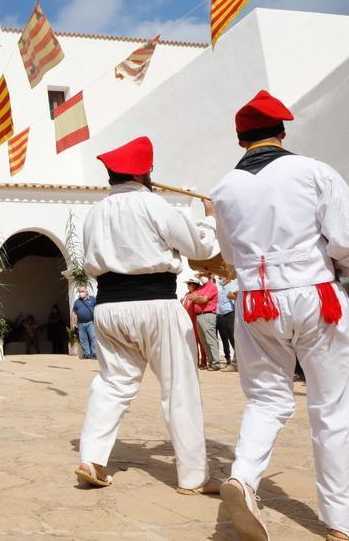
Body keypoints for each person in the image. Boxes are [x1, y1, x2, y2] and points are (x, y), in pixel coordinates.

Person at [211, 90, 349, 541]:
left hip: (255, 299)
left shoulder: (224, 188)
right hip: (315, 293)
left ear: (239, 138)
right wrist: (335, 271)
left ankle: (244, 476)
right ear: (282, 131)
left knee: (267, 399)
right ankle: (343, 522)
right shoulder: (312, 171)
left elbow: (229, 253)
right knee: (332, 410)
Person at [74, 135, 220, 494]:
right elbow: (200, 247)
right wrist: (210, 218)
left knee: (112, 383)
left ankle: (91, 458)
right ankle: (192, 476)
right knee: (179, 387)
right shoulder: (155, 205)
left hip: (108, 308)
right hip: (155, 304)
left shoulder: (94, 214)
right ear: (145, 173)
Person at [186, 274, 221, 370]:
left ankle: (216, 362)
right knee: (204, 341)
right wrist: (199, 297)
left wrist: (197, 298)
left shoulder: (212, 287)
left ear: (208, 275)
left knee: (210, 339)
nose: (201, 276)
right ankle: (211, 362)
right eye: (200, 275)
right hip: (199, 316)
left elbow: (204, 299)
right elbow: (190, 296)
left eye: (202, 274)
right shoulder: (201, 288)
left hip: (208, 314)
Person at [71, 285, 97, 359]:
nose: (81, 293)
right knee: (83, 339)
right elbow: (74, 312)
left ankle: (94, 353)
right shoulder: (77, 302)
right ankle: (86, 354)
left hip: (90, 323)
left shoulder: (93, 299)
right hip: (80, 323)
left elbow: (97, 308)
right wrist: (73, 323)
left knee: (93, 338)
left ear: (86, 291)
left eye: (82, 291)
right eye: (79, 291)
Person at [218, 277, 238, 370]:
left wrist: (233, 296)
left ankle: (237, 363)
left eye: (221, 277)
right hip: (224, 315)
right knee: (231, 339)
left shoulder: (231, 286)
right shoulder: (223, 288)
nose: (219, 279)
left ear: (228, 278)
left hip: (231, 314)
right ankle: (236, 362)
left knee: (234, 339)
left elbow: (236, 296)